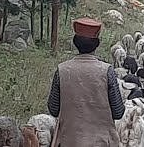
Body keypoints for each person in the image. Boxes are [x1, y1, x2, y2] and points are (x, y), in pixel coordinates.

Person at [47, 17, 125, 147]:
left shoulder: (62, 70)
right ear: (97, 44)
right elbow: (118, 112)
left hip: (68, 141)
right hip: (101, 142)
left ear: (75, 42)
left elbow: (53, 109)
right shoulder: (107, 71)